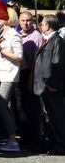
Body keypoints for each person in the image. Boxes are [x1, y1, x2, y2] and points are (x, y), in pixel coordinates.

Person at [0, 8, 23, 152]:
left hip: (9, 74)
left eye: (1, 16)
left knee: (2, 105)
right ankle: (11, 136)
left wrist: (1, 50)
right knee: (6, 106)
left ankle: (12, 139)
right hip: (2, 73)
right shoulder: (4, 33)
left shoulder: (14, 35)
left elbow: (19, 57)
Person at [34, 14, 65, 155]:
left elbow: (58, 64)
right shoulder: (48, 40)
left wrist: (53, 84)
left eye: (42, 24)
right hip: (43, 86)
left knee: (57, 116)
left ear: (47, 26)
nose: (41, 26)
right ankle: (53, 142)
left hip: (51, 86)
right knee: (49, 116)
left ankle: (60, 144)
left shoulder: (57, 41)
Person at [17, 11, 43, 151]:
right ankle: (24, 136)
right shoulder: (18, 34)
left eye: (28, 20)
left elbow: (37, 61)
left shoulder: (36, 36)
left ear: (32, 21)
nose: (25, 23)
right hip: (19, 75)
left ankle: (33, 139)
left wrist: (31, 79)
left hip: (30, 75)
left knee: (31, 109)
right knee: (21, 108)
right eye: (23, 20)